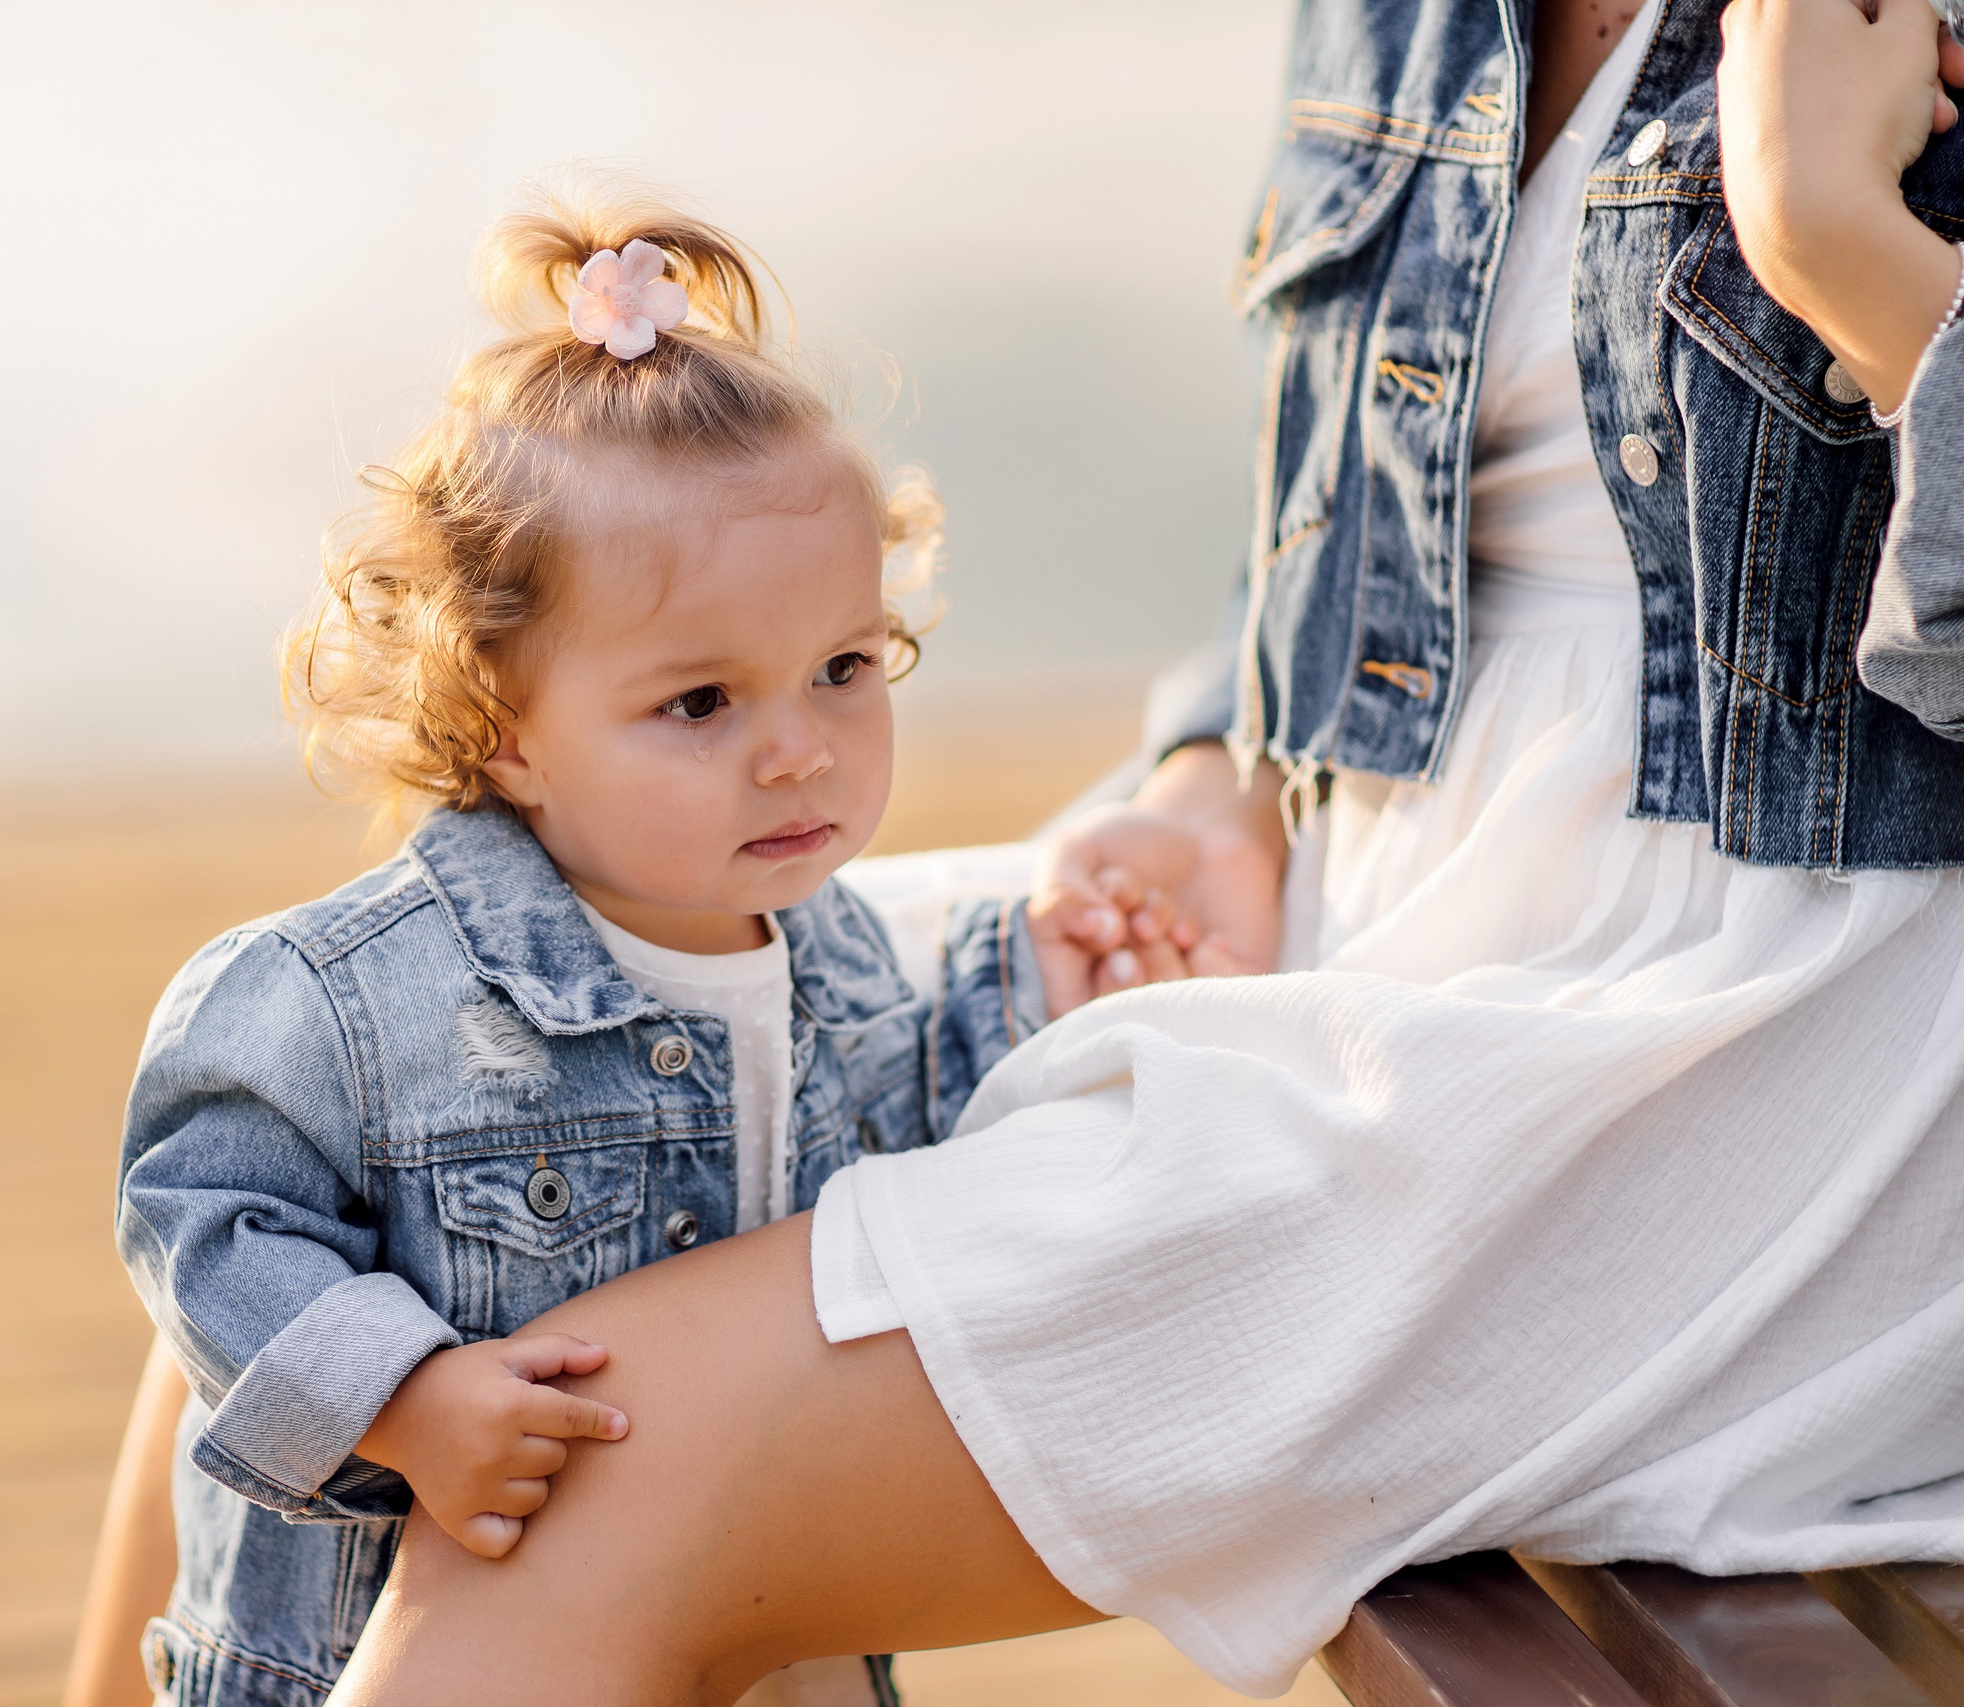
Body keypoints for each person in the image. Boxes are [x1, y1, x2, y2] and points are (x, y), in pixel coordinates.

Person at [286, 0, 1964, 1701]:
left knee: (598, 1472)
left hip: (1779, 1011)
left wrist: (1855, 266)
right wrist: (1216, 768)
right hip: (1362, 864)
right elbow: (1400, 485)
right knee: (388, 1112)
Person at [102, 189, 1150, 1707]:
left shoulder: (838, 955)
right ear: (506, 729)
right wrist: (400, 1396)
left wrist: (1050, 963)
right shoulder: (347, 999)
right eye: (703, 703)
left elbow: (913, 1110)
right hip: (385, 1654)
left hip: (734, 1625)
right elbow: (206, 1220)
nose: (801, 754)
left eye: (845, 668)